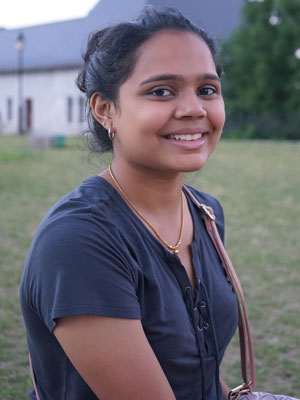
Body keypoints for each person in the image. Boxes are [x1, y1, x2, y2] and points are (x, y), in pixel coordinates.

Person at [20, 7, 238, 400]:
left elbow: (199, 372)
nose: (194, 108)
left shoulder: (205, 214)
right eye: (161, 91)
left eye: (207, 89)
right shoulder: (79, 243)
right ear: (105, 110)